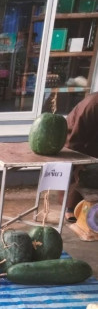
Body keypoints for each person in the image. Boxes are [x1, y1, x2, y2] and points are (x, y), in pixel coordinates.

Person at [63, 92, 98, 223]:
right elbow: (75, 137)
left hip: (94, 140)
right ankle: (70, 208)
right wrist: (79, 162)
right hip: (74, 138)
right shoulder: (93, 104)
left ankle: (89, 206)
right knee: (79, 172)